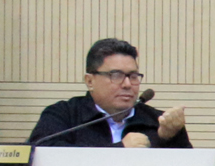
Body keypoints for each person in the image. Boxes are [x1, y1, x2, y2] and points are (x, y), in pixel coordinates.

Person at [27, 39, 191, 148]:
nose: (127, 84)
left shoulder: (159, 122)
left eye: (133, 76)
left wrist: (170, 137)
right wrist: (119, 149)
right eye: (116, 76)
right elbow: (43, 156)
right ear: (90, 81)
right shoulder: (63, 115)